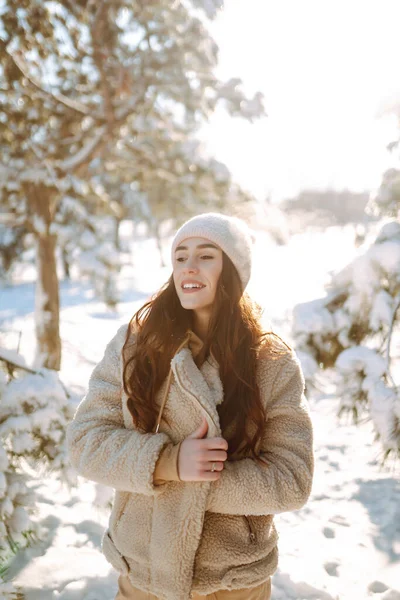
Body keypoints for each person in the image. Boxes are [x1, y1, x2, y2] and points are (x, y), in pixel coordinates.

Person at [66, 212, 314, 600]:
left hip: (233, 584)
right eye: (180, 257)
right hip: (142, 577)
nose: (189, 267)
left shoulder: (270, 361)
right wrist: (167, 463)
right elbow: (85, 442)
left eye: (205, 256)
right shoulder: (136, 345)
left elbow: (292, 479)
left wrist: (199, 482)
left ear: (232, 269)